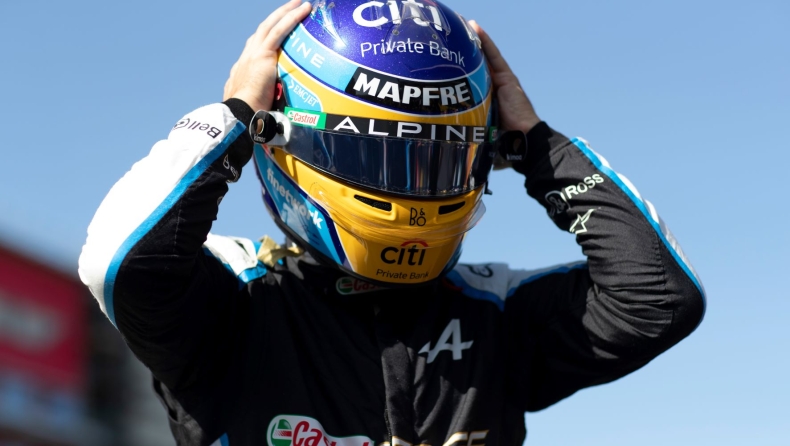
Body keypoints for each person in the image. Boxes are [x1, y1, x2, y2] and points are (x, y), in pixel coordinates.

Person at [78, 0, 706, 445]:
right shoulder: (237, 302)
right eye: (373, 154)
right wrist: (234, 116)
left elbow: (659, 297)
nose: (408, 189)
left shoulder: (494, 312)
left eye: (436, 159)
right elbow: (118, 262)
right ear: (280, 139)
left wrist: (538, 146)